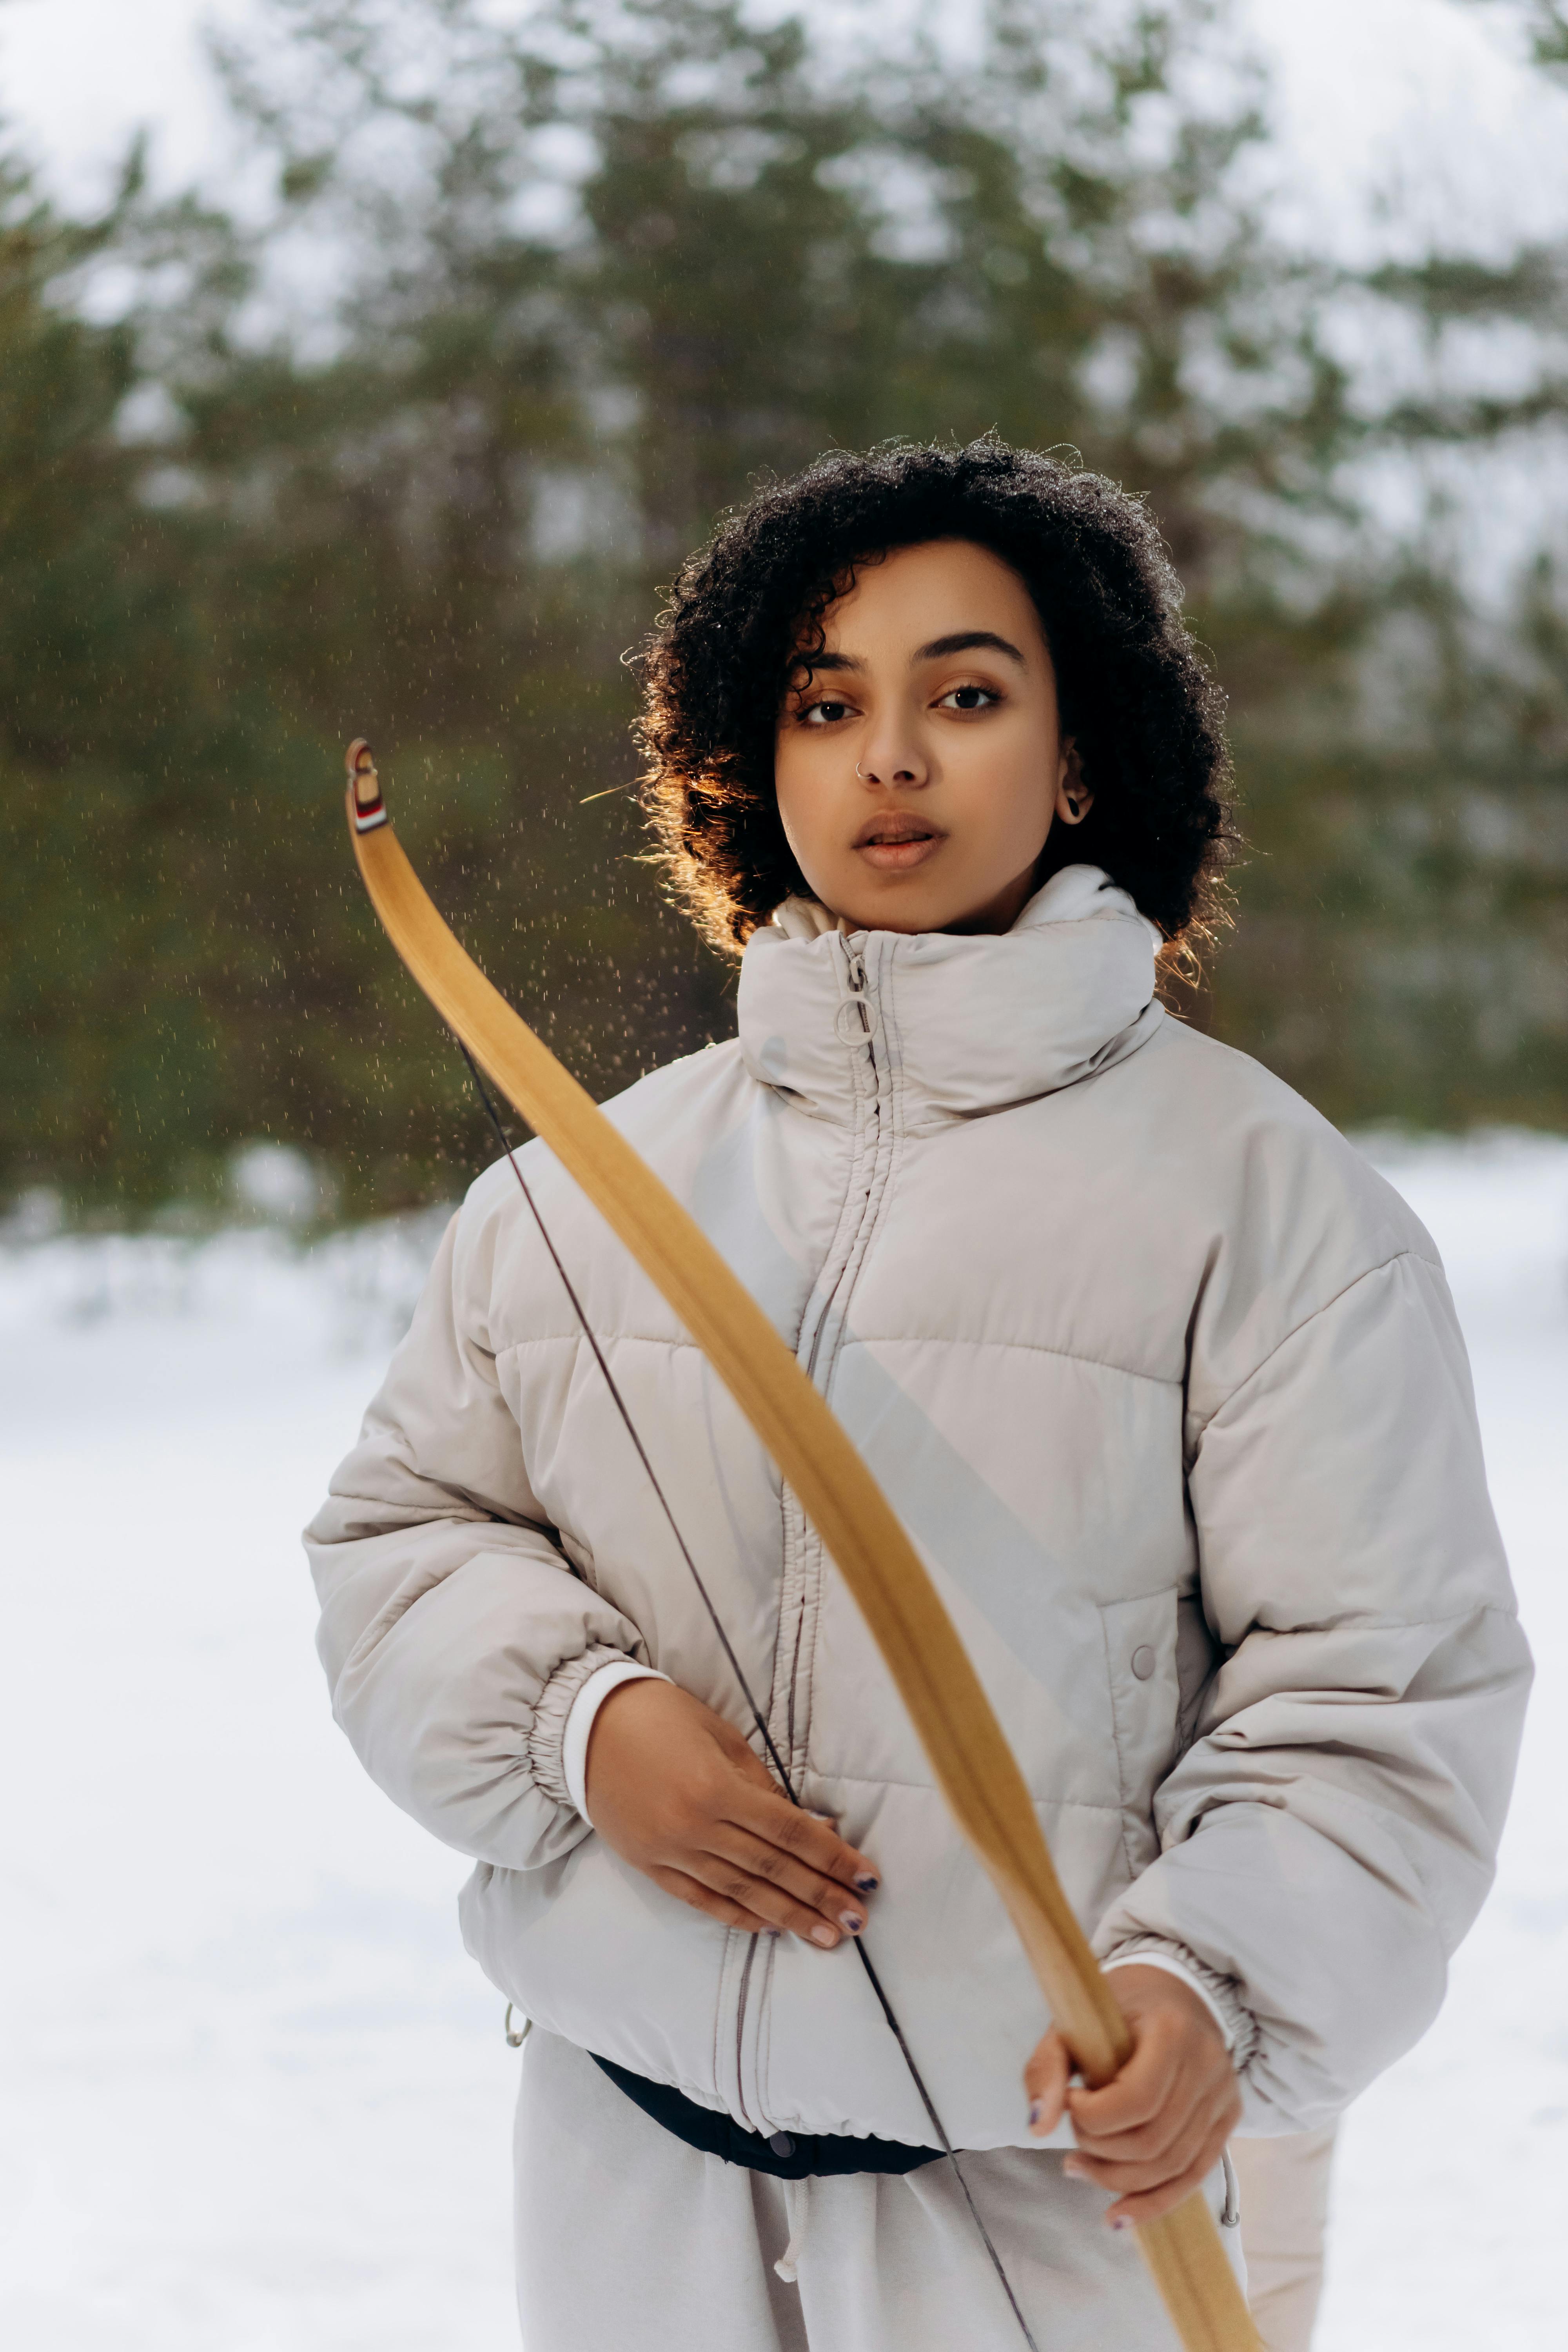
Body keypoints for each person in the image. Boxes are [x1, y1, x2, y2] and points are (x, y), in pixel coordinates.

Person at [305, 439, 1530, 2352]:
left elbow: (1375, 1690)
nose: (890, 757)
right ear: (747, 759)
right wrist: (578, 1720)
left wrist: (1214, 1988)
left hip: (1057, 2209)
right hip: (635, 2178)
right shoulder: (569, 1196)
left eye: (964, 696)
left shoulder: (1267, 1205)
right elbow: (401, 1540)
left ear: (1081, 754)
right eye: (823, 703)